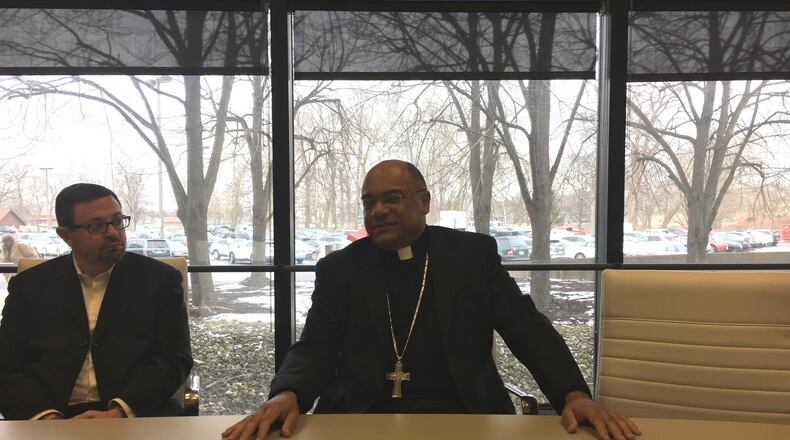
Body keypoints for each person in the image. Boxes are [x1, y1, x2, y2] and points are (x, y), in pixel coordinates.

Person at [223, 160, 640, 440]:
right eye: (369, 202)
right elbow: (315, 344)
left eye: (392, 198)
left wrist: (573, 394)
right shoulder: (341, 268)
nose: (378, 210)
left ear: (424, 202)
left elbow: (526, 329)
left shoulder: (472, 257)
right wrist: (287, 393)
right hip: (361, 418)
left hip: (464, 415)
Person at [0, 183, 192, 420]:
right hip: (49, 415)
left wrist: (120, 411)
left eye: (118, 221)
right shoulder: (30, 285)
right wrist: (47, 418)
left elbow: (174, 358)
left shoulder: (159, 280)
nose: (113, 232)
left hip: (135, 413)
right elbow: (8, 365)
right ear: (66, 235)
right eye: (97, 226)